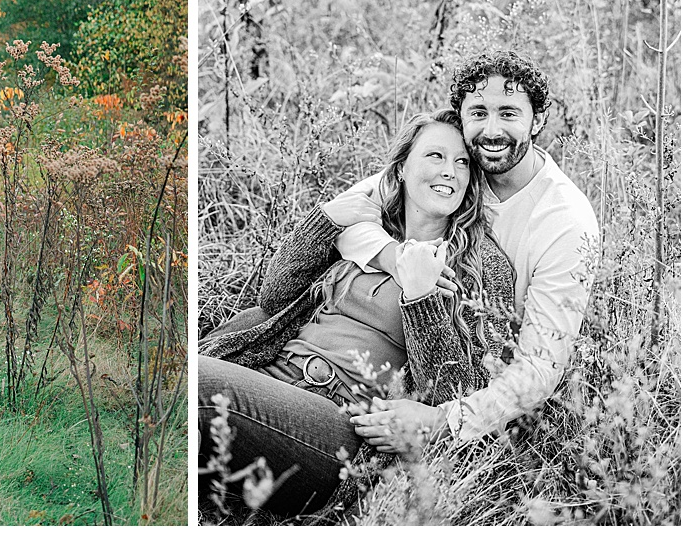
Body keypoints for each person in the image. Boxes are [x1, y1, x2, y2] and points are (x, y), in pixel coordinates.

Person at [198, 109, 519, 517]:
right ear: (401, 168)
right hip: (272, 380)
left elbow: (454, 392)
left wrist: (420, 297)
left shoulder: (482, 266)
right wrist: (325, 222)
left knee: (198, 385)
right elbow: (274, 298)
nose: (451, 172)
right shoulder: (369, 233)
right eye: (435, 156)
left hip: (336, 424)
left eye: (462, 163)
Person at [328, 50, 599, 447]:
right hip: (385, 339)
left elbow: (540, 366)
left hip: (465, 377)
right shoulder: (454, 167)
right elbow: (351, 213)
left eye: (508, 113)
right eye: (478, 112)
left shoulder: (565, 222)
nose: (490, 130)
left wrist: (444, 420)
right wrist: (397, 259)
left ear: (537, 120)